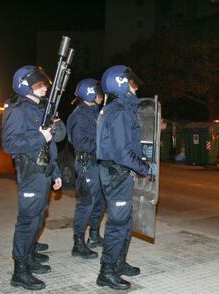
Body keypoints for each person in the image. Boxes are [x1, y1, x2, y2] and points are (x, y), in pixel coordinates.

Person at [2, 65, 63, 290]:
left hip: (43, 172)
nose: (44, 87)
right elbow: (10, 144)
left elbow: (49, 147)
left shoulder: (37, 108)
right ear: (24, 86)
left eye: (43, 83)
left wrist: (55, 172)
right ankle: (19, 271)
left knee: (37, 218)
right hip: (30, 173)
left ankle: (28, 258)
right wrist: (40, 137)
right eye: (39, 84)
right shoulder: (17, 110)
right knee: (27, 222)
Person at [96, 65, 154, 290]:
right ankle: (106, 272)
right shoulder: (120, 111)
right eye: (132, 82)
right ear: (122, 84)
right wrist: (144, 168)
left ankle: (118, 263)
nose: (136, 86)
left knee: (125, 222)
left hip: (118, 172)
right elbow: (122, 152)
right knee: (117, 225)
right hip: (116, 174)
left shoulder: (118, 109)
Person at [67, 79, 106, 259]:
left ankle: (94, 235)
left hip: (97, 163)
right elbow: (80, 143)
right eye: (99, 92)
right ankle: (78, 244)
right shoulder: (78, 115)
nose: (102, 96)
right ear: (91, 94)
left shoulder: (95, 111)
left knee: (100, 202)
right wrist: (103, 143)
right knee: (86, 204)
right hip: (86, 164)